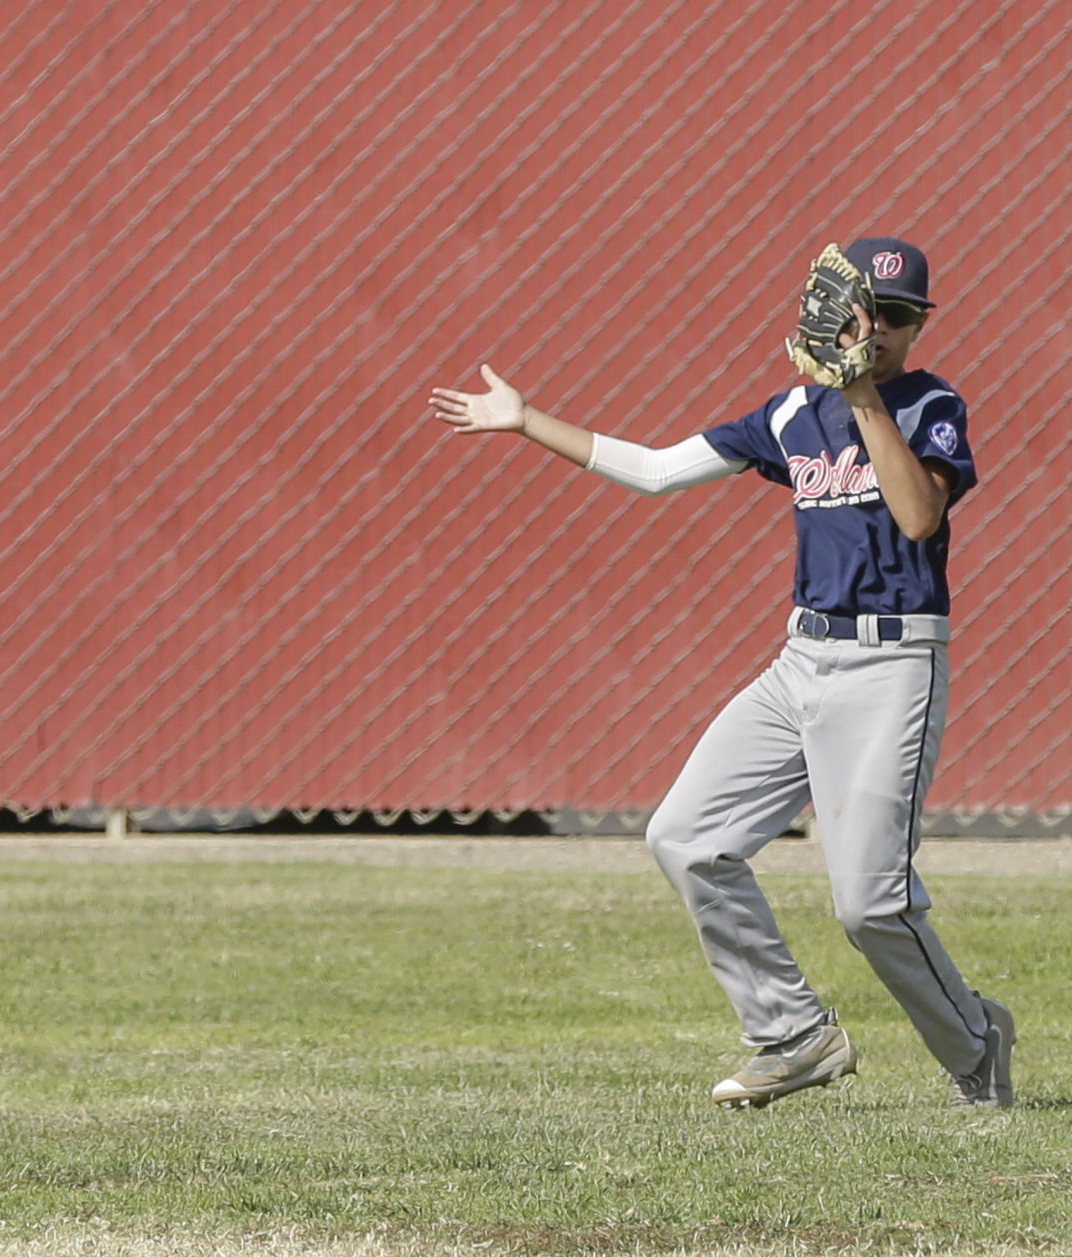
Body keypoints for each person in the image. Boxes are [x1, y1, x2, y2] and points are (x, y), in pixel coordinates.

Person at [428, 237, 1013, 1111]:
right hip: (799, 661)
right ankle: (791, 1033)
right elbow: (658, 471)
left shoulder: (929, 401)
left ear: (917, 325)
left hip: (892, 665)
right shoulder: (788, 416)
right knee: (685, 837)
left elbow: (919, 515)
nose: (880, 330)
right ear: (828, 312)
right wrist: (525, 421)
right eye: (867, 313)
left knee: (869, 907)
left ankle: (975, 1043)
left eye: (897, 317)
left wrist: (860, 395)